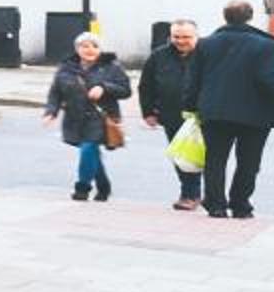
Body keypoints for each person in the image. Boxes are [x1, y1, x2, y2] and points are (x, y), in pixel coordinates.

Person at [190, 0, 274, 218]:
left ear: (225, 16)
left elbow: (193, 79)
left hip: (215, 111)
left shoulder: (205, 43)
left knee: (215, 160)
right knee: (249, 162)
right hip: (255, 113)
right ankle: (240, 204)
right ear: (250, 16)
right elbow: (268, 81)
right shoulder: (265, 45)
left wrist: (191, 106)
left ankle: (216, 205)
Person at [43, 32, 132, 201]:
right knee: (91, 153)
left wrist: (104, 88)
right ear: (77, 49)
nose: (90, 50)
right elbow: (55, 93)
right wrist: (51, 112)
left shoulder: (111, 67)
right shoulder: (66, 68)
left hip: (100, 118)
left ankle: (82, 187)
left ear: (100, 49)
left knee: (88, 148)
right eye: (85, 46)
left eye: (94, 46)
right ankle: (104, 186)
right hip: (74, 118)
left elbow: (126, 90)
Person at [139, 19, 204, 210]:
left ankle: (209, 196)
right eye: (176, 37)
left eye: (186, 37)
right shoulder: (159, 56)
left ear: (196, 36)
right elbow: (146, 86)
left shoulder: (208, 54)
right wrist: (148, 112)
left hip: (204, 115)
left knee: (208, 158)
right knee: (182, 156)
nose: (181, 41)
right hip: (172, 114)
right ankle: (190, 195)